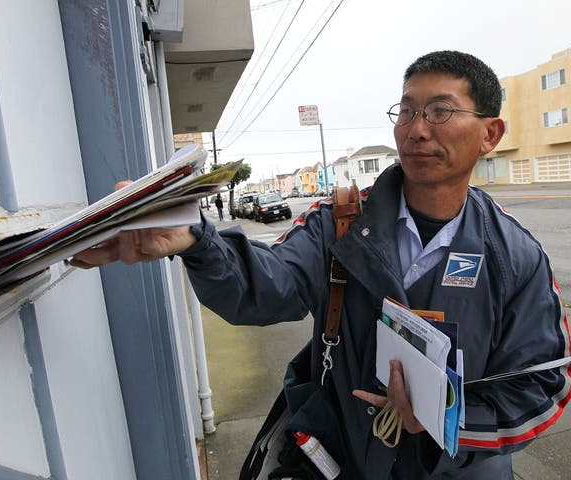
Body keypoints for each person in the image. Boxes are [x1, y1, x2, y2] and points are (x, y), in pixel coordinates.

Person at [71, 51, 570, 479]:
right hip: (347, 459)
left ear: (489, 134)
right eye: (407, 111)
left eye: (440, 112)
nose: (417, 130)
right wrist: (195, 242)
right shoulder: (342, 223)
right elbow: (266, 287)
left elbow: (546, 386)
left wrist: (449, 419)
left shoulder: (514, 255)